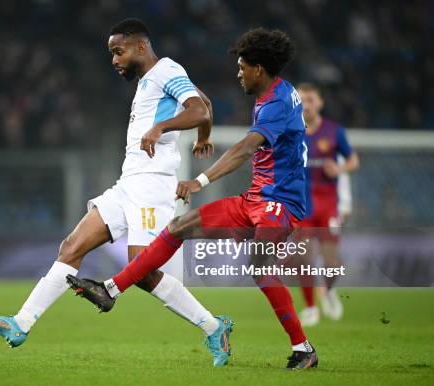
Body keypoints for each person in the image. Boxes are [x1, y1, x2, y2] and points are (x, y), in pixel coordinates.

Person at [0, 18, 234, 368]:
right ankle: (20, 323)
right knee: (71, 246)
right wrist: (204, 135)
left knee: (141, 271)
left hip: (152, 185)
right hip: (128, 183)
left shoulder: (165, 70)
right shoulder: (151, 80)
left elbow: (199, 107)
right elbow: (202, 101)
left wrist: (163, 126)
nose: (114, 60)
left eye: (118, 51)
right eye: (112, 53)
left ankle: (213, 326)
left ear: (140, 47)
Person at [68, 28, 319, 370]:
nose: (238, 73)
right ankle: (111, 290)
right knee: (178, 226)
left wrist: (200, 180)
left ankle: (303, 348)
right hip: (256, 199)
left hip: (280, 204)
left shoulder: (275, 103)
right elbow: (213, 112)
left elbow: (245, 149)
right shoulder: (276, 94)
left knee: (260, 268)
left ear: (259, 69)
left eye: (243, 67)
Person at [295, 83, 359, 326]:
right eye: (301, 100)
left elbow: (353, 160)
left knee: (331, 262)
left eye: (310, 100)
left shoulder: (334, 132)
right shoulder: (292, 132)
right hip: (302, 205)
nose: (306, 105)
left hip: (328, 205)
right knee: (303, 258)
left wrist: (340, 168)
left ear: (319, 103)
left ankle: (328, 290)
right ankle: (311, 308)